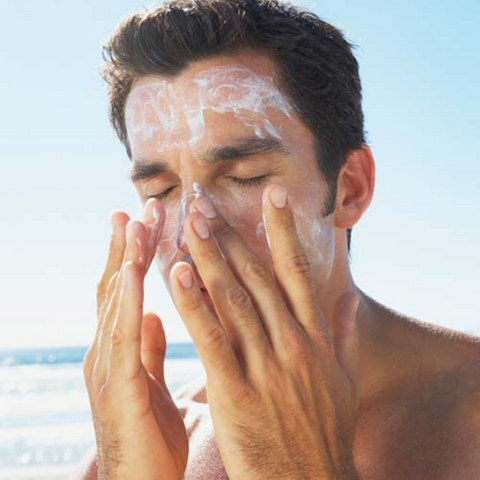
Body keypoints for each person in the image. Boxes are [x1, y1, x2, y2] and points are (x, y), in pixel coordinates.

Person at [72, 0, 480, 479]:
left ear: (350, 187)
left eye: (244, 176)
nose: (190, 233)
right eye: (161, 191)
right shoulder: (138, 448)